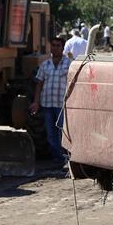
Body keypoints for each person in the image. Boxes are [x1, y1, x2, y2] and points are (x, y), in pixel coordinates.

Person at [30, 35, 71, 167]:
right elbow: (39, 84)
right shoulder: (45, 64)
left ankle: (66, 158)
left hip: (62, 105)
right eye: (53, 45)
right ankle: (58, 158)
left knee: (62, 133)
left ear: (63, 48)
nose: (55, 48)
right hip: (47, 104)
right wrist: (36, 102)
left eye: (58, 45)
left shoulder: (70, 64)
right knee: (50, 134)